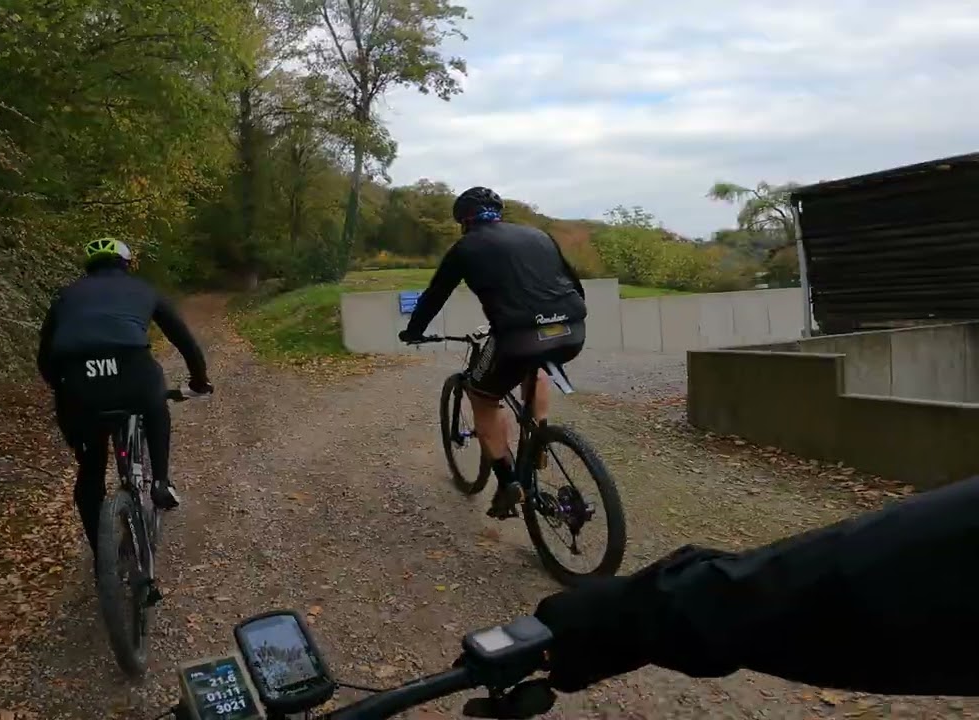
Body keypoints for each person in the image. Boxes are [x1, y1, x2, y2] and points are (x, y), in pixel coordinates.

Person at [534, 474, 979, 697]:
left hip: (521, 331)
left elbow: (902, 570)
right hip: (559, 325)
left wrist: (629, 618)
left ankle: (508, 473)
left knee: (486, 392)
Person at [398, 186, 587, 519]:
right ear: (498, 214)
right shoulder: (538, 235)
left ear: (464, 221)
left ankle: (507, 481)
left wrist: (413, 331)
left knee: (482, 394)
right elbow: (574, 283)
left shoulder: (465, 247)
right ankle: (539, 436)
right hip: (570, 327)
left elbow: (435, 295)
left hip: (518, 335)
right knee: (537, 365)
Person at [37, 237, 213, 557]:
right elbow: (184, 340)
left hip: (78, 382)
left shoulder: (66, 295)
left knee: (90, 471)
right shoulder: (144, 290)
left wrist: (65, 390)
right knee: (154, 397)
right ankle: (160, 482)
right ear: (127, 265)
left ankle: (103, 558)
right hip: (133, 374)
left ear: (88, 269)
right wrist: (199, 381)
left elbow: (45, 357)